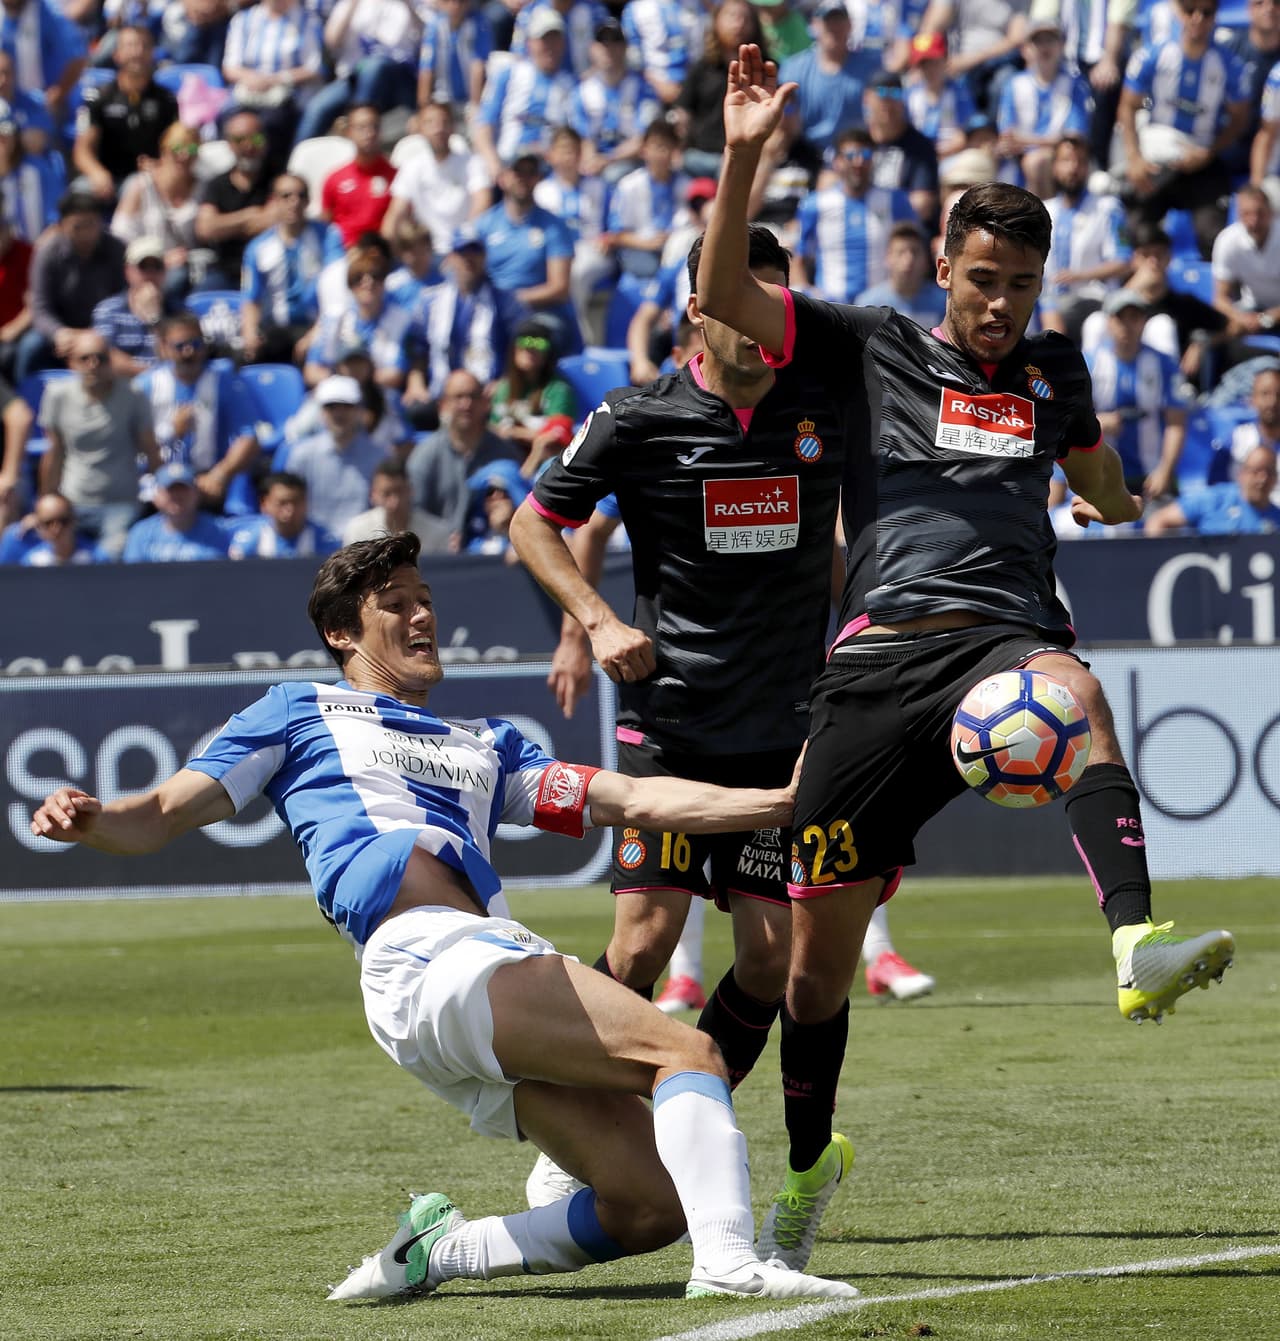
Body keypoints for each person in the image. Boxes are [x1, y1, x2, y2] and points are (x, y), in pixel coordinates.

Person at [696, 43, 1236, 1271]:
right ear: (942, 269)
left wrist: (1108, 489)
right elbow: (725, 290)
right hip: (876, 662)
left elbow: (1090, 465)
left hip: (1001, 647)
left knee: (1079, 692)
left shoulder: (1051, 370)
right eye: (981, 280)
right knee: (812, 977)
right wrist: (741, 156)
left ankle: (1132, 942)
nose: (999, 304)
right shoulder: (865, 345)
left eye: (1021, 284)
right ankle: (804, 1164)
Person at [29, 531, 858, 1306]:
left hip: (470, 972)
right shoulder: (297, 710)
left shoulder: (487, 744)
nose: (422, 613)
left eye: (425, 596)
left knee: (650, 1206)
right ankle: (730, 1264)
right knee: (689, 1050)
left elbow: (629, 795)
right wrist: (93, 819)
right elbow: (162, 812)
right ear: (340, 633)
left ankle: (443, 1248)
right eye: (394, 601)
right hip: (430, 956)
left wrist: (779, 802)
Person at [509, 224, 859, 1209]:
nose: (766, 325)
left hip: (778, 741)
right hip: (667, 730)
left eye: (777, 304)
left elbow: (842, 543)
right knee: (638, 945)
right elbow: (532, 520)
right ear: (697, 311)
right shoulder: (633, 418)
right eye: (743, 303)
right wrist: (593, 619)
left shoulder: (822, 409)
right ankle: (572, 1122)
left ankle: (679, 1113)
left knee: (769, 956)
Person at [1117, 0, 1249, 261]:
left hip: (1202, 160)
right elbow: (1127, 106)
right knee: (1134, 226)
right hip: (1158, 159)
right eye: (1190, 10)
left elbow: (1240, 118)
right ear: (1178, 12)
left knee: (1214, 238)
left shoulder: (1228, 64)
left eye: (1207, 12)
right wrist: (1133, 158)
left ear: (1215, 17)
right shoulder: (1151, 56)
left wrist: (1209, 152)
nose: (1197, 18)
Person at [38, 329, 158, 557]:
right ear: (72, 363)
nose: (93, 364)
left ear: (110, 361)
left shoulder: (133, 394)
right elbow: (54, 453)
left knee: (109, 558)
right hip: (72, 504)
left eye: (100, 358)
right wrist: (46, 501)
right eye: (85, 358)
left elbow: (150, 450)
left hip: (121, 503)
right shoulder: (57, 395)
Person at [134, 311, 261, 511]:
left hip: (205, 479)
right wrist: (171, 432)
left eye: (195, 344)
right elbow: (133, 444)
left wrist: (220, 474)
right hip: (158, 479)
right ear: (164, 348)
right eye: (180, 346)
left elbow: (249, 437)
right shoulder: (146, 386)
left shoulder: (223, 381)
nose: (188, 352)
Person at [792, 125, 917, 302]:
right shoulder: (815, 204)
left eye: (865, 155)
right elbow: (799, 259)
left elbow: (914, 248)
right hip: (832, 309)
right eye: (850, 156)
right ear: (837, 162)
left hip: (882, 308)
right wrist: (808, 296)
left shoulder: (896, 201)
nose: (858, 162)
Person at [1085, 289, 1189, 500]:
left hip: (1150, 476)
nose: (1127, 325)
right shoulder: (1088, 363)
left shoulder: (1165, 365)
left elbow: (1176, 423)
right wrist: (1096, 422)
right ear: (1109, 322)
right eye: (1120, 318)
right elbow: (1068, 419)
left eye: (1134, 317)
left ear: (1144, 322)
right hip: (1101, 474)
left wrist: (1164, 471)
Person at [17, 192, 126, 382]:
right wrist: (58, 333)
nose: (85, 233)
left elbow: (124, 297)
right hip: (62, 331)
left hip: (106, 328)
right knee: (30, 346)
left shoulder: (117, 249)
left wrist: (98, 332)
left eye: (91, 224)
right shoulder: (47, 254)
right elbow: (40, 306)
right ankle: (21, 401)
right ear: (61, 226)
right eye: (77, 227)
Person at [404, 368, 519, 544]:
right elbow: (415, 512)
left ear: (485, 403)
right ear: (442, 405)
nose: (466, 404)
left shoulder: (505, 453)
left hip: (490, 554)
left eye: (473, 396)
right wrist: (441, 538)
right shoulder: (424, 455)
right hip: (437, 555)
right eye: (458, 397)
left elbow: (520, 505)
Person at [241, 173, 340, 365]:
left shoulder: (328, 237)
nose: (294, 202)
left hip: (317, 326)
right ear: (274, 201)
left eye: (300, 195)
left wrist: (314, 335)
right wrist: (250, 334)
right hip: (276, 329)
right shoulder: (258, 247)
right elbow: (251, 299)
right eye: (286, 196)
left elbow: (335, 295)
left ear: (309, 201)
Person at [71, 24, 177, 201]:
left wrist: (161, 166)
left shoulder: (166, 99)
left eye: (144, 46)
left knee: (139, 187)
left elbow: (175, 145)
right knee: (77, 195)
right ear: (116, 55)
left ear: (152, 53)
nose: (138, 52)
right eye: (131, 46)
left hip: (147, 178)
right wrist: (97, 173)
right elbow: (82, 150)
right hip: (106, 176)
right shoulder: (98, 97)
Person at [280, 374, 385, 534]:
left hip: (362, 547)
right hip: (313, 547)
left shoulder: (380, 457)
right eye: (331, 407)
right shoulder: (302, 455)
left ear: (358, 410)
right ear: (321, 412)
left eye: (346, 406)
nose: (339, 413)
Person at [110, 121, 203, 303]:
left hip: (190, 266)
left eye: (191, 149)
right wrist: (160, 260)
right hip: (146, 266)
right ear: (163, 150)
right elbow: (119, 236)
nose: (184, 155)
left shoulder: (203, 186)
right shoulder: (141, 185)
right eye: (176, 148)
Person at [193, 109, 273, 291]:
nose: (248, 145)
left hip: (270, 270)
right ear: (229, 144)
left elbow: (275, 219)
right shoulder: (216, 184)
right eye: (239, 140)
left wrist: (226, 225)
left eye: (255, 138)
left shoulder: (277, 180)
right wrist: (249, 216)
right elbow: (205, 228)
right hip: (227, 271)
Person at [488, 319, 577, 477]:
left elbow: (556, 436)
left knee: (544, 446)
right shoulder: (504, 388)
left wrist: (515, 432)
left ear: (549, 352)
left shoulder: (558, 390)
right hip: (503, 457)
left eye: (539, 343)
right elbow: (491, 428)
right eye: (524, 342)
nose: (530, 349)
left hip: (541, 462)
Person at [1145, 444, 1280, 535]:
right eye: (1256, 471)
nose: (1262, 479)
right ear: (1242, 474)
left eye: (1269, 472)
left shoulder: (1277, 519)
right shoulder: (1214, 499)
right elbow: (1158, 520)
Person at [318, 104, 396, 249]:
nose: (369, 133)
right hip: (343, 253)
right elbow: (324, 225)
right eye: (361, 127)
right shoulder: (335, 179)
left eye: (374, 126)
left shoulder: (397, 177)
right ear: (349, 132)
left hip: (383, 252)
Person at [121, 460, 231, 561]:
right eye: (171, 490)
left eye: (183, 490)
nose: (177, 496)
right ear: (157, 496)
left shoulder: (217, 531)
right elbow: (134, 578)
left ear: (196, 494)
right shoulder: (141, 533)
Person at [341, 456, 454, 550]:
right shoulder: (358, 531)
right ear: (373, 495)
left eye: (400, 491)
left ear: (410, 491)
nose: (394, 502)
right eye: (386, 494)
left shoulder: (437, 534)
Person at [91, 235, 165, 376]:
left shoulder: (179, 310)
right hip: (123, 389)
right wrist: (152, 377)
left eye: (157, 266)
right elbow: (106, 358)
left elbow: (175, 357)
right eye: (143, 266)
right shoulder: (107, 310)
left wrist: (155, 320)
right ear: (128, 271)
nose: (150, 273)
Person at [225, 469, 341, 558]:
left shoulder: (326, 542)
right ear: (264, 503)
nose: (289, 509)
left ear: (306, 502)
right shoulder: (249, 541)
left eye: (296, 501)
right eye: (282, 503)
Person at [855, 220, 946, 328]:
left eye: (915, 252)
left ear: (926, 259)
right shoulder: (869, 305)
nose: (908, 260)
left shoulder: (943, 303)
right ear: (888, 258)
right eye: (901, 252)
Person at [19, 491, 101, 565]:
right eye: (48, 523)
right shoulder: (31, 562)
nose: (56, 529)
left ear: (73, 521)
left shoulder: (97, 559)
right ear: (39, 525)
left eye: (63, 521)